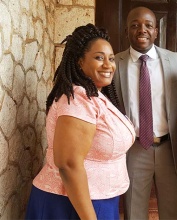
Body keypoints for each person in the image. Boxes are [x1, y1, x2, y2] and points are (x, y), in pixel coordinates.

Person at [25, 23, 135, 220]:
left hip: (96, 199)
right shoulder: (78, 99)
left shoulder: (95, 96)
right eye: (99, 57)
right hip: (71, 204)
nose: (108, 65)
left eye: (111, 58)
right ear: (79, 62)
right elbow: (68, 164)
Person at [113, 6, 177, 220]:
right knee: (134, 212)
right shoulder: (115, 63)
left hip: (170, 149)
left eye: (148, 25)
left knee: (173, 212)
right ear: (126, 32)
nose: (141, 30)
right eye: (134, 25)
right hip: (134, 149)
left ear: (156, 31)